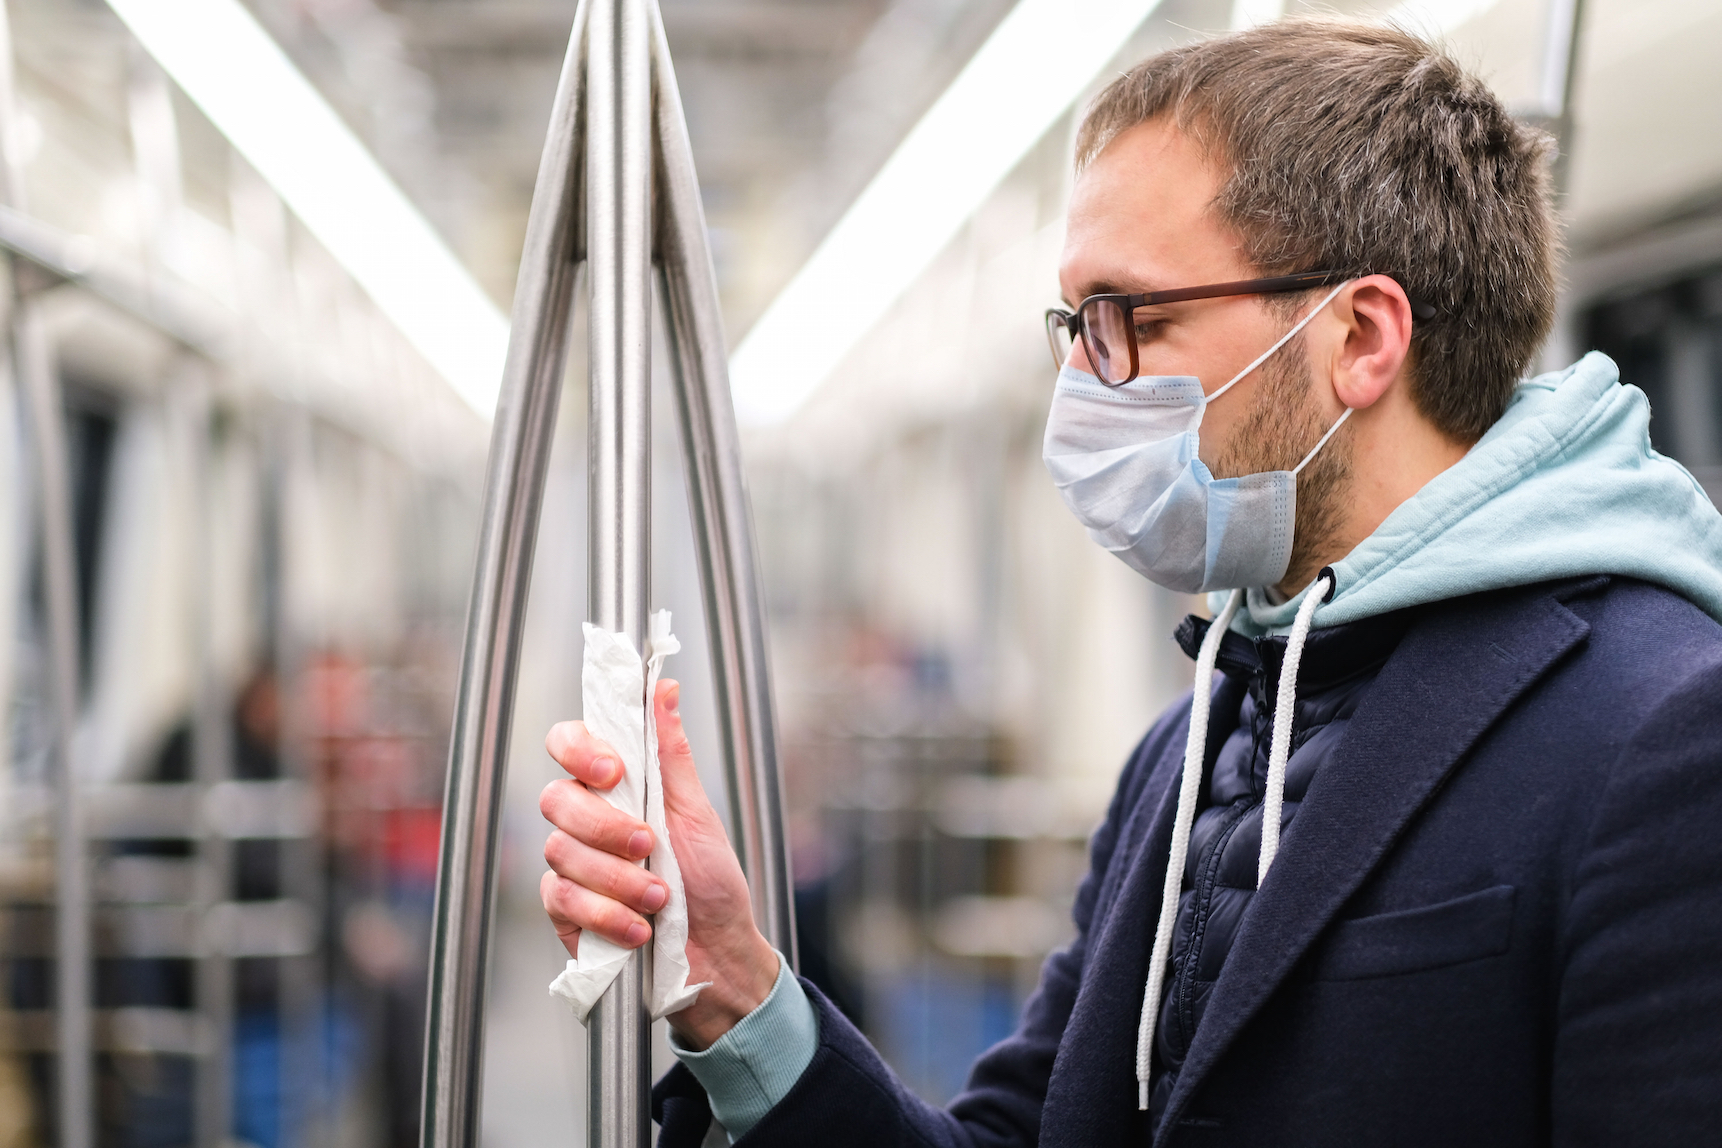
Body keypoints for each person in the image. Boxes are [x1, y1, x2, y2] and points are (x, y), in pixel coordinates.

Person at [538, 19, 1722, 1146]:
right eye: (1077, 328)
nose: (1087, 391)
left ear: (1361, 337)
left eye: (1129, 320)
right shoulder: (1193, 744)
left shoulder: (1663, 732)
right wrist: (734, 983)